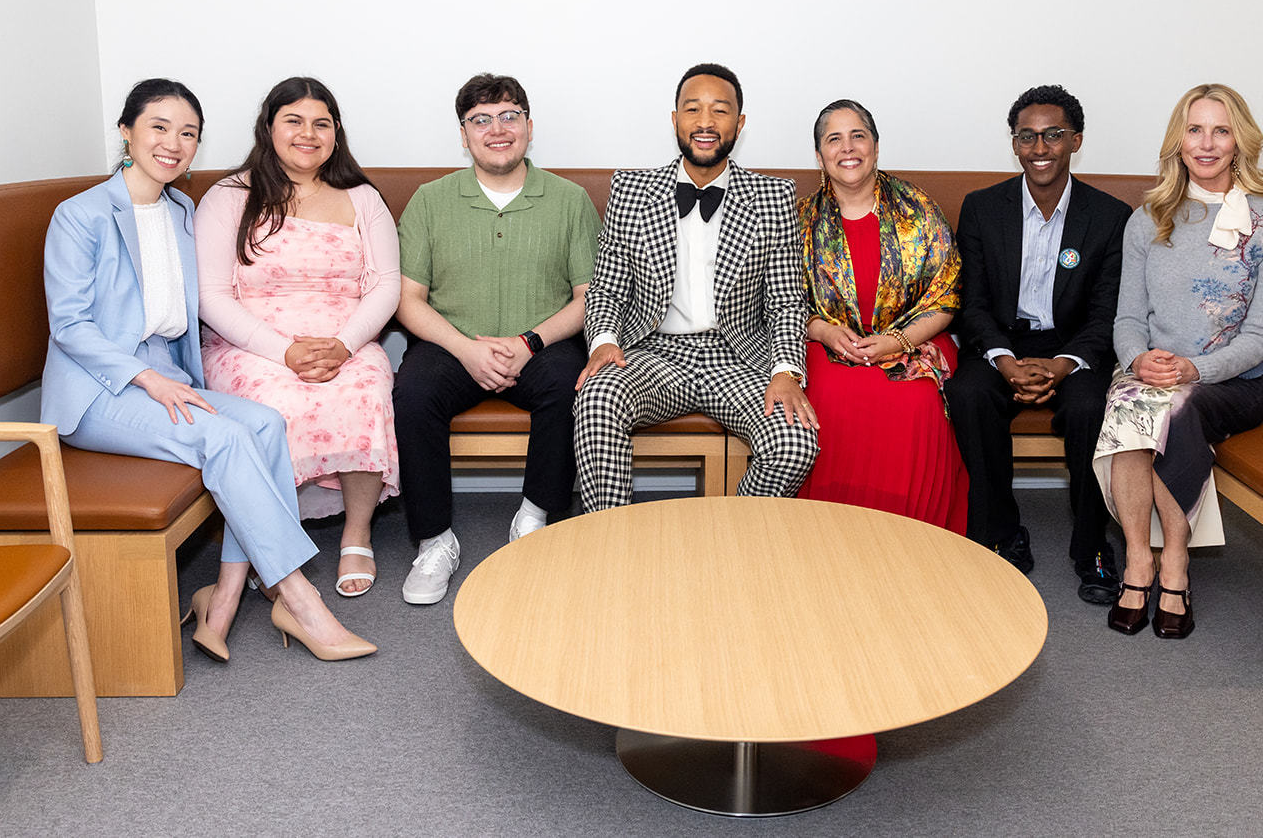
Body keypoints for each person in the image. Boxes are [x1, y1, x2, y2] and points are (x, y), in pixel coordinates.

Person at [41, 79, 374, 661]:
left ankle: (217, 600)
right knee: (223, 437)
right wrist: (147, 378)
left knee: (267, 424)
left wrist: (170, 375)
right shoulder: (80, 216)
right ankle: (298, 600)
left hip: (167, 373)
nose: (173, 143)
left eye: (188, 133)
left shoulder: (181, 210)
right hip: (102, 390)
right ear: (126, 132)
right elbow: (69, 326)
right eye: (158, 128)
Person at [1095, 83, 1263, 639]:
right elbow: (1127, 319)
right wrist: (1137, 361)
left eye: (1221, 130)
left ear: (1241, 141)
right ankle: (1140, 560)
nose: (1206, 144)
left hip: (1230, 383)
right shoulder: (1148, 218)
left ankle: (1176, 563)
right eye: (1194, 129)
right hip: (1151, 370)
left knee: (1173, 409)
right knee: (1133, 407)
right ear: (1177, 140)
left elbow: (1259, 336)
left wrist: (1194, 370)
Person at [392, 73, 600, 604]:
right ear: (464, 135)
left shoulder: (570, 200)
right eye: (480, 120)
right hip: (451, 346)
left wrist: (529, 342)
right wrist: (467, 349)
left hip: (541, 344)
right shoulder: (431, 200)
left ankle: (533, 517)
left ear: (529, 127)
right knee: (411, 393)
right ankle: (435, 541)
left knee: (570, 386)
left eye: (509, 116)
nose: (497, 129)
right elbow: (407, 298)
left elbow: (588, 297)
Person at [575, 63, 818, 508]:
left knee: (795, 443)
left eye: (720, 111)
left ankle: (729, 541)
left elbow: (786, 301)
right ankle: (610, 547)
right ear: (675, 120)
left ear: (739, 124)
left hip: (738, 360)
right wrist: (604, 341)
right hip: (654, 354)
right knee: (597, 398)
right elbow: (607, 288)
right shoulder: (631, 189)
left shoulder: (774, 196)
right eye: (693, 110)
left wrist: (786, 371)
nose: (705, 123)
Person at [195, 77, 400, 598]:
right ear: (269, 127)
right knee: (273, 402)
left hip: (344, 339)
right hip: (250, 343)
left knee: (364, 389)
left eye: (321, 123)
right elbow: (211, 294)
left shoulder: (362, 199)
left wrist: (346, 344)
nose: (307, 133)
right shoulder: (230, 196)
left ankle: (356, 533)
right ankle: (273, 541)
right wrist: (282, 351)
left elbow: (385, 284)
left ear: (336, 134)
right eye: (294, 120)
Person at [945, 84, 1132, 603]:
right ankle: (999, 531)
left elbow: (1107, 312)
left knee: (1093, 407)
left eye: (1053, 135)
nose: (1040, 148)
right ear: (1014, 144)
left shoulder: (1111, 217)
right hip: (1002, 344)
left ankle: (1092, 546)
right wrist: (1003, 360)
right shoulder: (983, 209)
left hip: (1075, 348)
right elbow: (971, 302)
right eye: (1026, 137)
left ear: (1076, 140)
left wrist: (1065, 365)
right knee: (968, 395)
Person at [797, 99, 968, 529]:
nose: (847, 147)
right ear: (819, 156)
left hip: (914, 336)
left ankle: (913, 536)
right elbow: (782, 301)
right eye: (833, 139)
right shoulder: (799, 219)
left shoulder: (918, 210)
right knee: (826, 396)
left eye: (858, 135)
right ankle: (827, 532)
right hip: (828, 341)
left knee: (916, 399)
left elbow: (945, 295)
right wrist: (824, 331)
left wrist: (898, 342)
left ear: (875, 146)